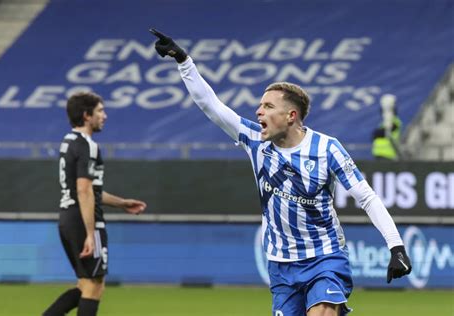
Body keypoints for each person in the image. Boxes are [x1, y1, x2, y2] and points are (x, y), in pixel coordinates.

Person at [150, 29, 412, 316]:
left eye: (267, 106)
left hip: (325, 257)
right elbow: (210, 105)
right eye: (260, 105)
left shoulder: (327, 148)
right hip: (280, 265)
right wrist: (184, 61)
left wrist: (396, 246)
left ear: (291, 116)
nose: (258, 111)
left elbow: (367, 197)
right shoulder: (254, 140)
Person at [43, 92, 147, 316]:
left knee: (85, 284)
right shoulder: (88, 146)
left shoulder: (68, 141)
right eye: (100, 111)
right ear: (86, 115)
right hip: (85, 220)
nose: (105, 116)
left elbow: (90, 190)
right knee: (95, 285)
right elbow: (84, 190)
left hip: (68, 218)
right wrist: (91, 233)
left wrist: (121, 203)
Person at [371, 94, 402, 160]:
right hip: (378, 154)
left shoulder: (396, 122)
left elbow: (385, 132)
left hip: (388, 155)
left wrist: (377, 133)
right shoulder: (382, 124)